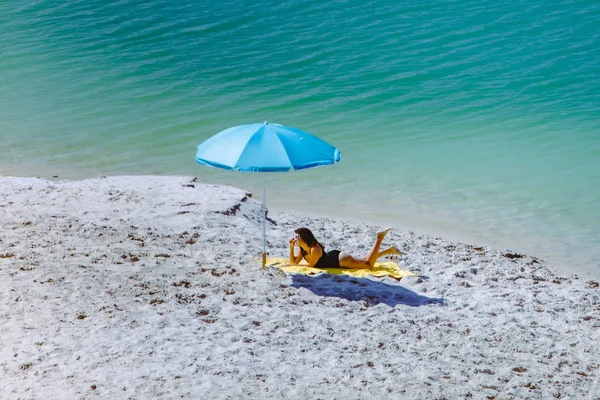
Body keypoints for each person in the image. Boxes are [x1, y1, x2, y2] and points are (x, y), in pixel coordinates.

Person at [288, 227, 402, 270]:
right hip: (335, 257)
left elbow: (310, 266)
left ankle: (379, 238)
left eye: (297, 237)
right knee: (365, 259)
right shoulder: (303, 249)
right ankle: (388, 251)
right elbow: (294, 262)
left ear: (304, 238)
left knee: (368, 265)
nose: (295, 239)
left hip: (340, 260)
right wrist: (291, 247)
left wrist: (294, 264)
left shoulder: (315, 249)